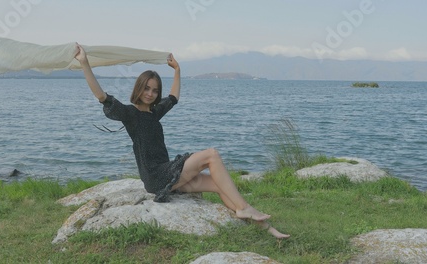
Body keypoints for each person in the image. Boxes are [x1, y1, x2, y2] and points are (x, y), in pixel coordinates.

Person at [74, 44, 289, 239]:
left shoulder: (154, 112)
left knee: (220, 184)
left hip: (167, 173)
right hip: (156, 176)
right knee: (211, 155)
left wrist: (177, 70)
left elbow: (174, 97)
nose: (150, 94)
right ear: (138, 89)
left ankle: (265, 228)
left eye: (154, 90)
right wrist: (84, 63)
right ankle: (244, 208)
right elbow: (102, 96)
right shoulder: (130, 114)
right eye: (146, 88)